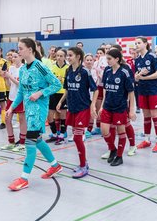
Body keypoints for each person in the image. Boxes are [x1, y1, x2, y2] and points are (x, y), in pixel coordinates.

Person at [7, 38, 62, 191]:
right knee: (36, 140)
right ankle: (55, 165)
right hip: (28, 110)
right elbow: (21, 91)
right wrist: (12, 107)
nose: (18, 51)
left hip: (38, 110)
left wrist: (40, 93)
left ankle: (23, 178)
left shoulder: (40, 67)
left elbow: (57, 85)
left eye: (20, 48)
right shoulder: (23, 69)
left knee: (29, 142)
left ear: (30, 49)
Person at [57, 47, 98, 177]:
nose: (68, 58)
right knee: (76, 137)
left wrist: (92, 106)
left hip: (83, 108)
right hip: (72, 108)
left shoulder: (85, 72)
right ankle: (83, 163)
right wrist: (60, 101)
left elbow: (95, 90)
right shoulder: (68, 70)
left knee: (77, 137)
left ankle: (83, 166)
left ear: (78, 57)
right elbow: (67, 89)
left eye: (70, 55)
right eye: (67, 55)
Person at [99, 49, 136, 166]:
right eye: (107, 59)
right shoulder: (107, 70)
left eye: (109, 59)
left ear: (117, 59)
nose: (107, 61)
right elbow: (105, 88)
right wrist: (101, 105)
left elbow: (131, 93)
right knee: (104, 130)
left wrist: (131, 110)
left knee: (121, 131)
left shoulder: (124, 72)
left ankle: (119, 156)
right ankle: (112, 149)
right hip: (107, 105)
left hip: (120, 106)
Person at [134, 37, 157, 153]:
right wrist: (138, 76)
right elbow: (136, 77)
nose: (136, 45)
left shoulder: (152, 56)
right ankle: (146, 140)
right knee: (146, 116)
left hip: (153, 90)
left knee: (155, 116)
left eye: (139, 43)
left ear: (145, 44)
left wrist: (144, 77)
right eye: (135, 43)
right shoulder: (137, 60)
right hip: (142, 90)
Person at [1, 50, 27, 152]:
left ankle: (22, 143)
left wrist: (9, 77)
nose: (13, 58)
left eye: (15, 56)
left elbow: (20, 85)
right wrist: (5, 78)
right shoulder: (11, 68)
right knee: (7, 119)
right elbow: (9, 85)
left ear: (21, 57)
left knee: (21, 120)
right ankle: (11, 142)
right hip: (11, 97)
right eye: (12, 56)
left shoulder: (24, 68)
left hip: (21, 98)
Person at [46, 49, 69, 144]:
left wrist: (62, 79)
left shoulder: (68, 68)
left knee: (63, 115)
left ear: (65, 57)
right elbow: (48, 80)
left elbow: (68, 83)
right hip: (53, 93)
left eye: (61, 56)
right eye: (57, 55)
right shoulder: (51, 67)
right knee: (50, 115)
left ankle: (62, 135)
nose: (59, 58)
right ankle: (55, 134)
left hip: (63, 94)